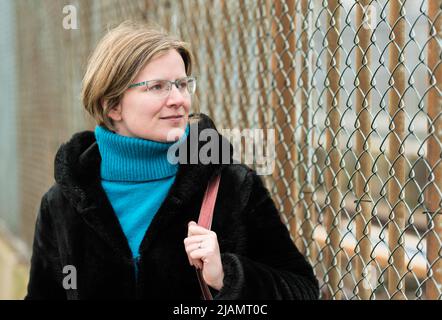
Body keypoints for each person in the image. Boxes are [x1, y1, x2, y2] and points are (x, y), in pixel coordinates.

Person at [25, 21, 319, 300]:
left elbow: (302, 288)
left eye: (182, 84)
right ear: (112, 105)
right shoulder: (63, 202)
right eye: (158, 87)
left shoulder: (231, 185)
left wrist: (227, 276)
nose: (179, 99)